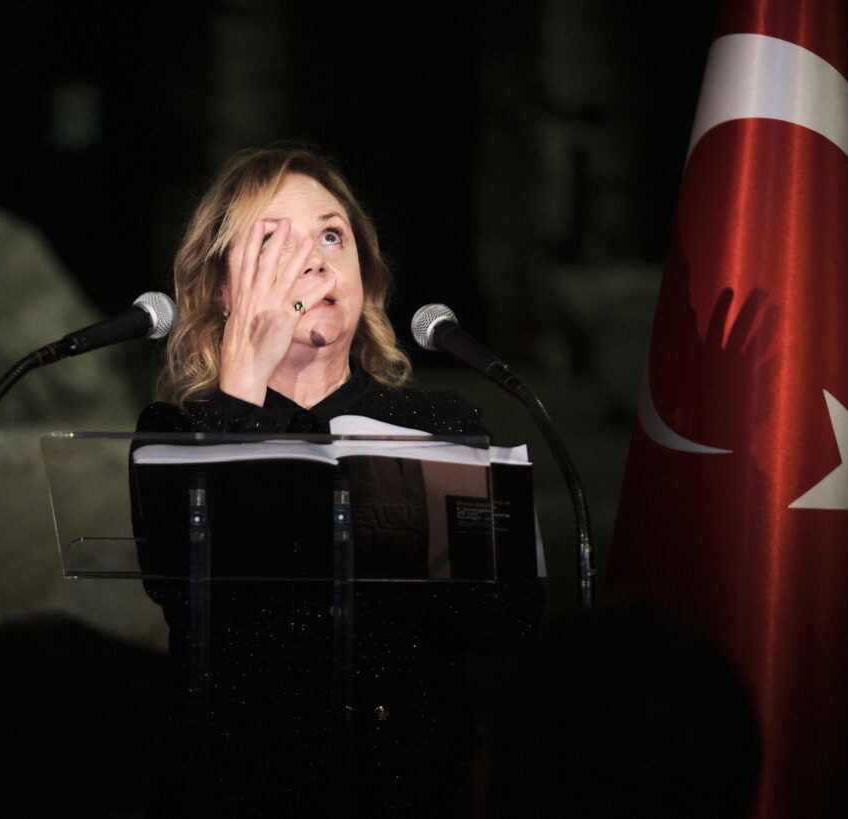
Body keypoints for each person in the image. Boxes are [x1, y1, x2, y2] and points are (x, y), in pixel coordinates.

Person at [133, 146, 544, 816]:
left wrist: (403, 523)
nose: (315, 261)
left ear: (363, 272)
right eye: (274, 242)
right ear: (222, 288)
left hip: (410, 788)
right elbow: (190, 593)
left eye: (332, 236)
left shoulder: (438, 422)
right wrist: (243, 388)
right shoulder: (177, 431)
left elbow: (508, 620)